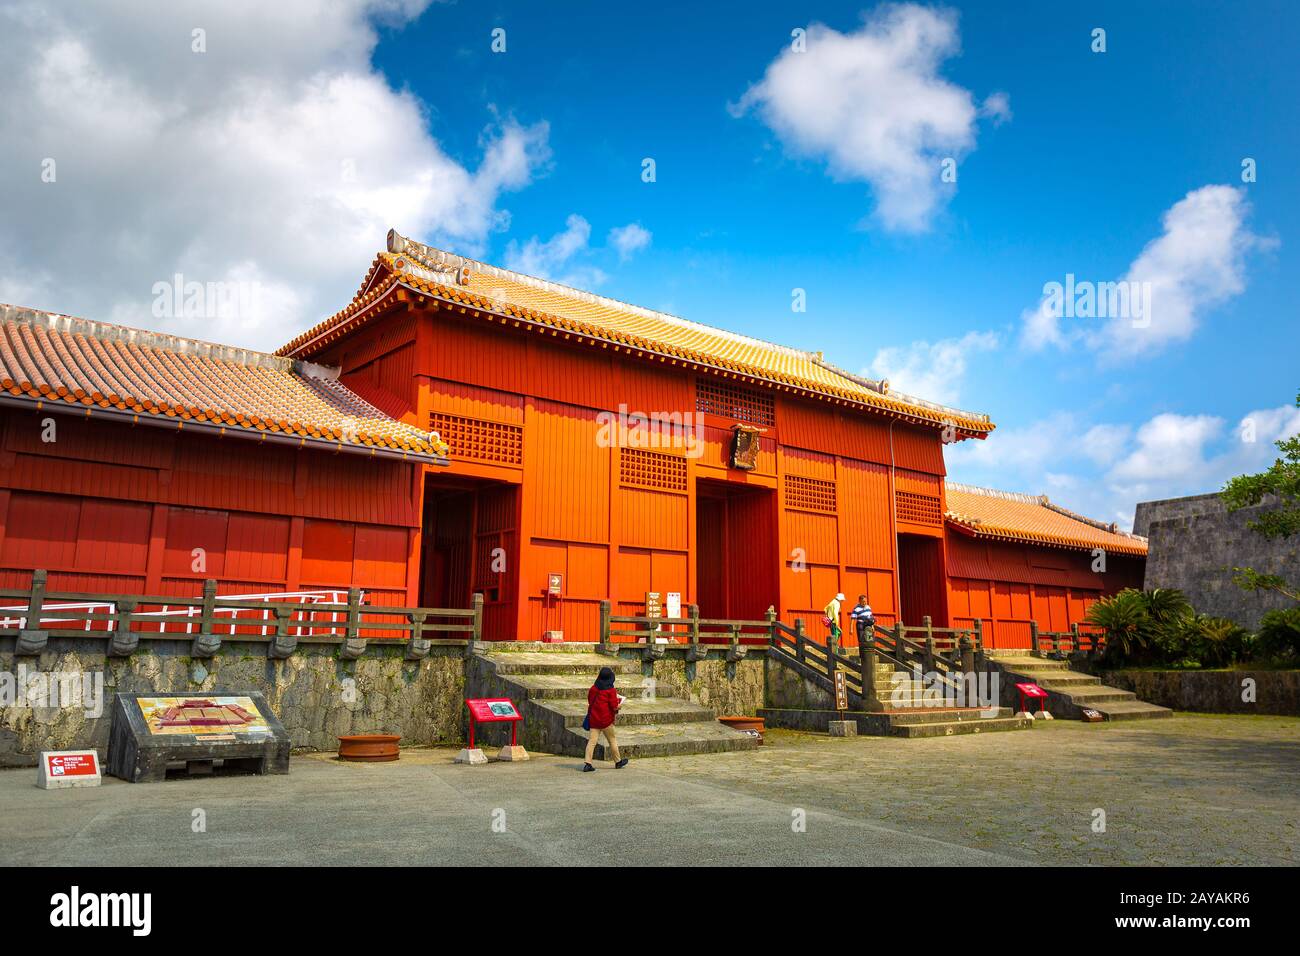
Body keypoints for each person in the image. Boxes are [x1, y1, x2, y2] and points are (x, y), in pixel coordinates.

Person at [583, 666, 629, 772]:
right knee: (612, 740)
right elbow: (614, 706)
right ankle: (618, 762)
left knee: (592, 742)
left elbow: (590, 701)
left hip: (594, 719)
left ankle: (587, 763)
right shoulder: (611, 690)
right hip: (606, 721)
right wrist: (619, 705)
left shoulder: (593, 688)